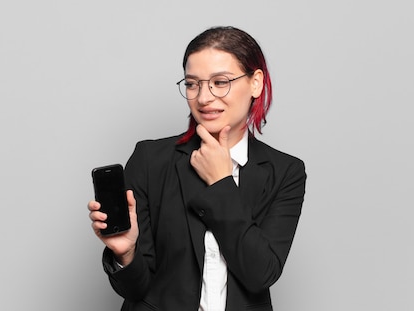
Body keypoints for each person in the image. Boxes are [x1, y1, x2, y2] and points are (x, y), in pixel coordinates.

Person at [88, 26, 307, 311]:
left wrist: (221, 183)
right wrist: (126, 253)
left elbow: (261, 273)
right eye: (193, 84)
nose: (203, 98)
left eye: (220, 82)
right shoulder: (150, 160)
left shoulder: (285, 172)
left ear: (256, 83)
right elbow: (135, 289)